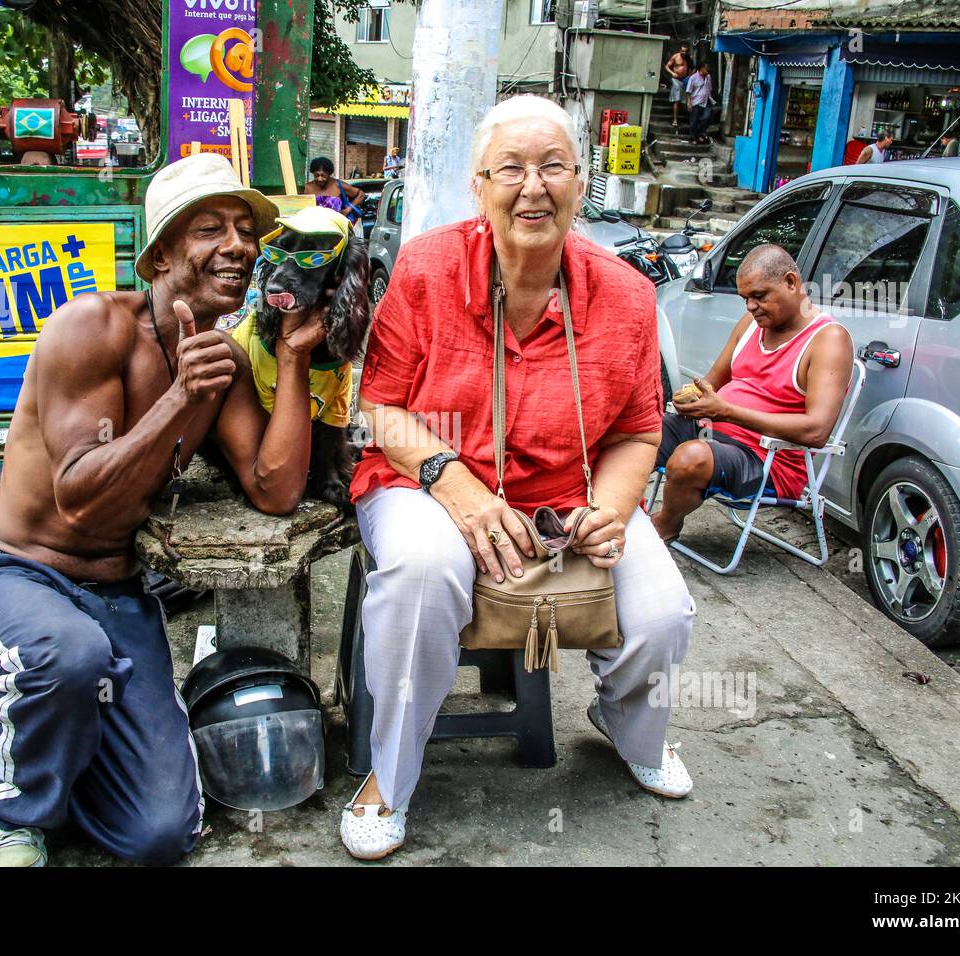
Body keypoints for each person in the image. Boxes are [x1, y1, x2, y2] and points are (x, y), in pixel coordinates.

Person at [0, 153, 331, 867]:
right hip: (19, 576)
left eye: (246, 232)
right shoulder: (92, 328)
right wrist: (180, 398)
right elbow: (82, 498)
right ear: (159, 256)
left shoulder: (222, 361)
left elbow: (274, 488)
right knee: (69, 657)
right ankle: (14, 811)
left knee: (161, 832)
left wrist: (297, 354)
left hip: (117, 591)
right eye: (210, 228)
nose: (239, 245)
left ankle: (69, 742)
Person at [344, 95, 697, 861]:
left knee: (664, 610)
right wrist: (455, 484)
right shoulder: (427, 268)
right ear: (479, 185)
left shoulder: (628, 296)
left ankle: (628, 725)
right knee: (422, 571)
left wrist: (610, 509)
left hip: (568, 493)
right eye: (511, 168)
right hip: (423, 481)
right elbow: (378, 407)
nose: (532, 186)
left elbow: (639, 431)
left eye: (553, 167)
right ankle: (388, 775)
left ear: (580, 183)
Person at [649, 244, 854, 545]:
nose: (751, 307)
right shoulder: (751, 324)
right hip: (714, 435)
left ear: (791, 283)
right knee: (638, 429)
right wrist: (691, 397)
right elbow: (712, 381)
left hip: (768, 460)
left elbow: (816, 432)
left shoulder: (828, 340)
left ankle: (664, 525)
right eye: (746, 298)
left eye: (760, 296)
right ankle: (609, 510)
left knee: (690, 458)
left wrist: (727, 412)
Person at [304, 156, 366, 228]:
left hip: (337, 229)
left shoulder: (338, 185)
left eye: (323, 175)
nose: (320, 179)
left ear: (329, 173)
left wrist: (348, 210)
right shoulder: (307, 187)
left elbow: (361, 194)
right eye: (316, 175)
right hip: (313, 229)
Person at [686, 62, 716, 145]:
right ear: (701, 68)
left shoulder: (708, 77)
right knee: (693, 122)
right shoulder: (693, 78)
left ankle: (700, 134)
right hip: (696, 102)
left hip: (706, 101)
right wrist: (689, 103)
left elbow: (709, 88)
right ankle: (693, 138)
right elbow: (689, 91)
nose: (707, 71)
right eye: (706, 69)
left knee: (706, 117)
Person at [665, 44, 693, 129]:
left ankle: (687, 119)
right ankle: (675, 120)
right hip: (676, 80)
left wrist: (690, 76)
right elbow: (667, 66)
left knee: (686, 100)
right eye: (682, 51)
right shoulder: (675, 57)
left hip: (685, 80)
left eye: (686, 51)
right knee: (676, 100)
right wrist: (672, 73)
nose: (684, 53)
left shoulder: (689, 58)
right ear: (680, 51)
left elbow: (692, 68)